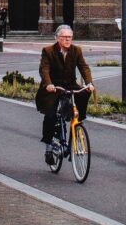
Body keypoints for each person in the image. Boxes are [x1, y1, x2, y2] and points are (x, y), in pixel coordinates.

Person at [35, 25, 94, 161]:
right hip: (54, 86)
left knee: (83, 93)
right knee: (50, 114)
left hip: (70, 84)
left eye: (70, 37)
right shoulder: (48, 51)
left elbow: (83, 67)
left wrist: (89, 83)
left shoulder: (76, 50)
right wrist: (48, 84)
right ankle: (49, 145)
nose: (68, 40)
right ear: (58, 38)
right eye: (64, 37)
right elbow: (44, 69)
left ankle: (78, 120)